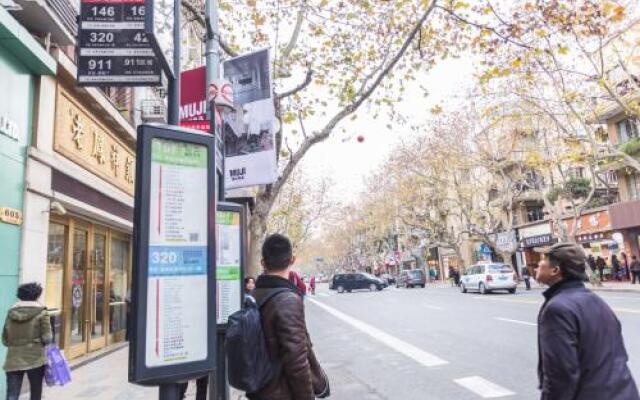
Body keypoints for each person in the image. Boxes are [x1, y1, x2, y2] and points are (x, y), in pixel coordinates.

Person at [535, 243, 639, 400]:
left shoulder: (557, 309)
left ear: (555, 270)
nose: (537, 264)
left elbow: (561, 375)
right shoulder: (596, 301)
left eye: (543, 260)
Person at [252, 234, 329, 400]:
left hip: (260, 387)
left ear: (263, 263)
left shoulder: (254, 294)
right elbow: (297, 361)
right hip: (281, 392)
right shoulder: (287, 300)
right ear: (292, 260)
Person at [2, 282, 53, 400]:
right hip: (36, 359)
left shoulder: (11, 313)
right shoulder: (42, 313)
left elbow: (5, 340)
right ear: (37, 296)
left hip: (13, 359)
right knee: (35, 394)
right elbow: (47, 338)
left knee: (12, 395)